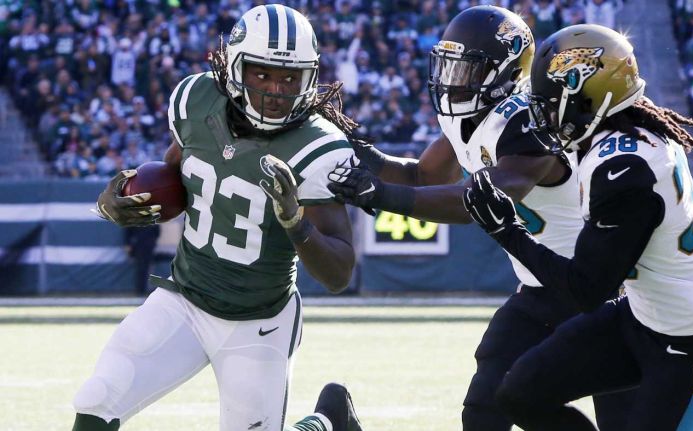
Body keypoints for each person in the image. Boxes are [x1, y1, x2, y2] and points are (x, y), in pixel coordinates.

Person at [327, 7, 632, 430]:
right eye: (448, 65)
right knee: (486, 409)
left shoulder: (530, 117)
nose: (451, 79)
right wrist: (352, 148)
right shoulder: (469, 115)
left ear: (505, 72)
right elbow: (424, 175)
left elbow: (484, 198)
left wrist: (381, 195)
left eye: (466, 69)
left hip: (609, 292)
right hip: (541, 290)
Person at [77, 5, 363, 431]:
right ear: (233, 67)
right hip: (184, 301)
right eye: (261, 73)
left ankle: (326, 423)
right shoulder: (197, 100)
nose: (275, 90)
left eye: (289, 78)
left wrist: (295, 223)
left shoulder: (318, 148)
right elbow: (176, 172)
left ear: (309, 78)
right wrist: (116, 200)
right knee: (98, 400)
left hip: (259, 320)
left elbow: (339, 273)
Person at [463, 24, 693, 430]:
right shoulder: (631, 131)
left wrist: (506, 232)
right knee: (521, 394)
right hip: (645, 316)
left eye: (552, 102)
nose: (543, 113)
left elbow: (587, 289)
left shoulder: (624, 169)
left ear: (590, 97)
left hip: (691, 342)